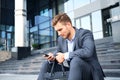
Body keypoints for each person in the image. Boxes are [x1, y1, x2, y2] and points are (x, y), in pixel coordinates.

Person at [37, 13, 105, 80]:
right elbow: (58, 52)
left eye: (60, 30)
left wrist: (65, 55)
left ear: (68, 25)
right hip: (75, 72)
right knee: (46, 64)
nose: (59, 34)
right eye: (57, 31)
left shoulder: (85, 33)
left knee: (75, 60)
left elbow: (88, 51)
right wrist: (52, 57)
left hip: (90, 73)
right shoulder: (61, 39)